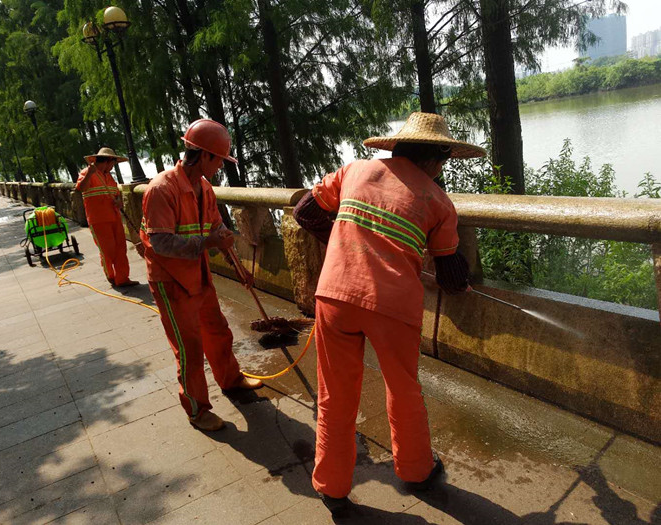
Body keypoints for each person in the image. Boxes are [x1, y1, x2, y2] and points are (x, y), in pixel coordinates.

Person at [292, 112, 484, 516]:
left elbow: (306, 212)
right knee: (403, 389)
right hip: (392, 307)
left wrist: (346, 240)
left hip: (334, 295)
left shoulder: (355, 170)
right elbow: (450, 273)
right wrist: (460, 283)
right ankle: (415, 470)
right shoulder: (438, 202)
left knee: (334, 395)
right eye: (444, 161)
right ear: (439, 157)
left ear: (396, 146)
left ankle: (331, 485)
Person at [139, 119, 263, 432]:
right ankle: (197, 410)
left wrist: (236, 262)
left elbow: (215, 228)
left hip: (199, 274)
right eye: (220, 159)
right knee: (190, 349)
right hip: (171, 280)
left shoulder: (204, 187)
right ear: (205, 156)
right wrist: (208, 242)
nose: (221, 165)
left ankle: (231, 378)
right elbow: (161, 242)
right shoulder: (161, 190)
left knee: (218, 330)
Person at [75, 147, 139, 287]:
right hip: (98, 220)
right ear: (108, 161)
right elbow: (80, 188)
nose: (112, 167)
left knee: (120, 249)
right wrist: (89, 174)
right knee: (107, 250)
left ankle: (123, 278)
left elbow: (116, 195)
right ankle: (111, 276)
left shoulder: (109, 177)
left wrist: (119, 202)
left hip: (114, 217)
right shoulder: (87, 172)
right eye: (112, 164)